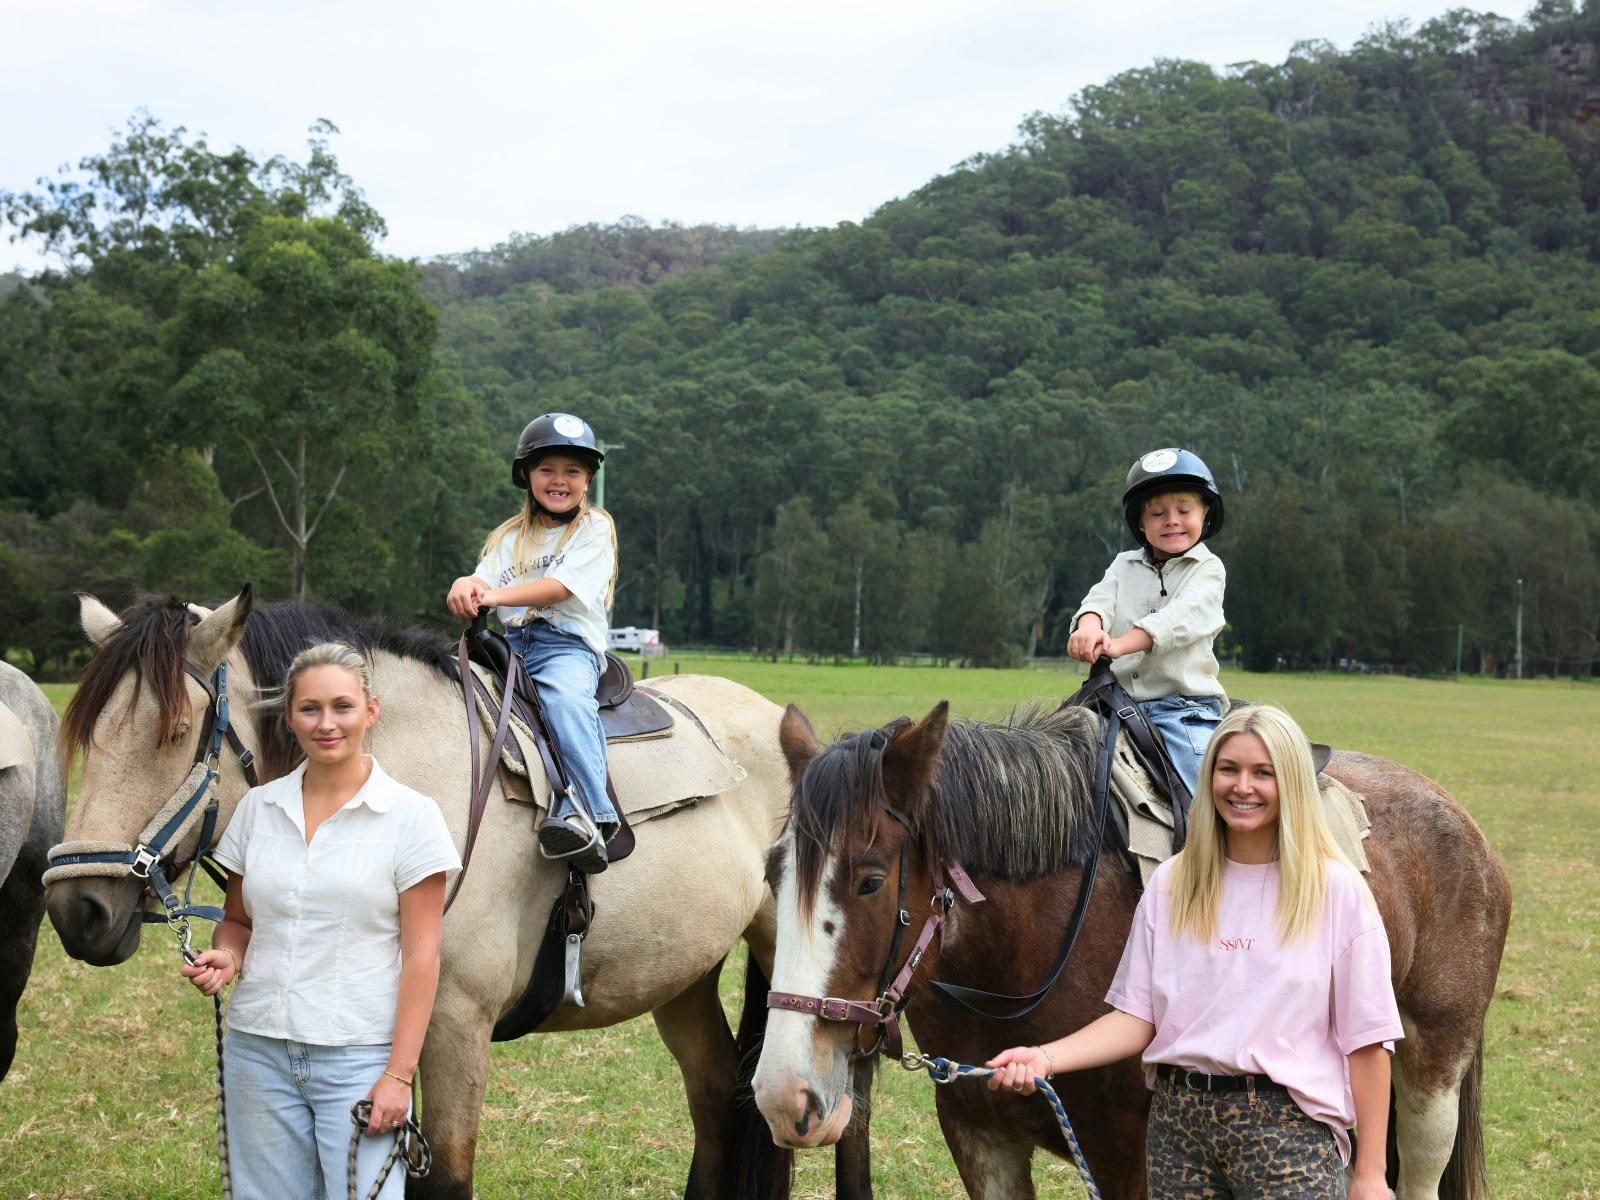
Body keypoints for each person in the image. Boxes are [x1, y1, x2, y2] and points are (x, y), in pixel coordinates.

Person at [986, 705, 1401, 1200]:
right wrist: (1043, 1058)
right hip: (1179, 1128)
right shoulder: (1173, 883)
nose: (1242, 787)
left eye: (1262, 773)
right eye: (1228, 769)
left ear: (1291, 782)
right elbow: (1137, 1018)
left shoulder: (1335, 891)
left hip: (1287, 1130)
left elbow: (1367, 1041)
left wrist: (1371, 1175)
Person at [181, 643, 461, 1200]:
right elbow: (238, 920)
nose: (326, 723)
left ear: (371, 712)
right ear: (289, 717)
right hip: (257, 1049)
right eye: (309, 708)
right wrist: (228, 955)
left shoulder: (413, 818)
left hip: (358, 1055)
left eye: (342, 707)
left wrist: (399, 1075)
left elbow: (422, 956)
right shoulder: (258, 809)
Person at [445, 411, 620, 872]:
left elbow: (559, 588)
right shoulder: (508, 537)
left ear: (588, 480)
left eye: (572, 471)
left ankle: (588, 812)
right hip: (511, 645)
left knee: (565, 701)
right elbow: (481, 579)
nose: (559, 480)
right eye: (547, 469)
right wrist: (465, 585)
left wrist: (493, 597)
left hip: (565, 647)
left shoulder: (594, 528)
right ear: (526, 475)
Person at [1067, 448, 1227, 795]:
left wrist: (1117, 646)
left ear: (1205, 514)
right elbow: (1099, 600)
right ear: (1141, 523)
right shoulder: (1123, 564)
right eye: (1157, 513)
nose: (1171, 520)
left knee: (1202, 786)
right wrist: (1089, 627)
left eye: (1184, 510)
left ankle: (1212, 827)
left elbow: (1177, 621)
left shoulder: (1208, 570)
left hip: (1181, 708)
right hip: (1114, 704)